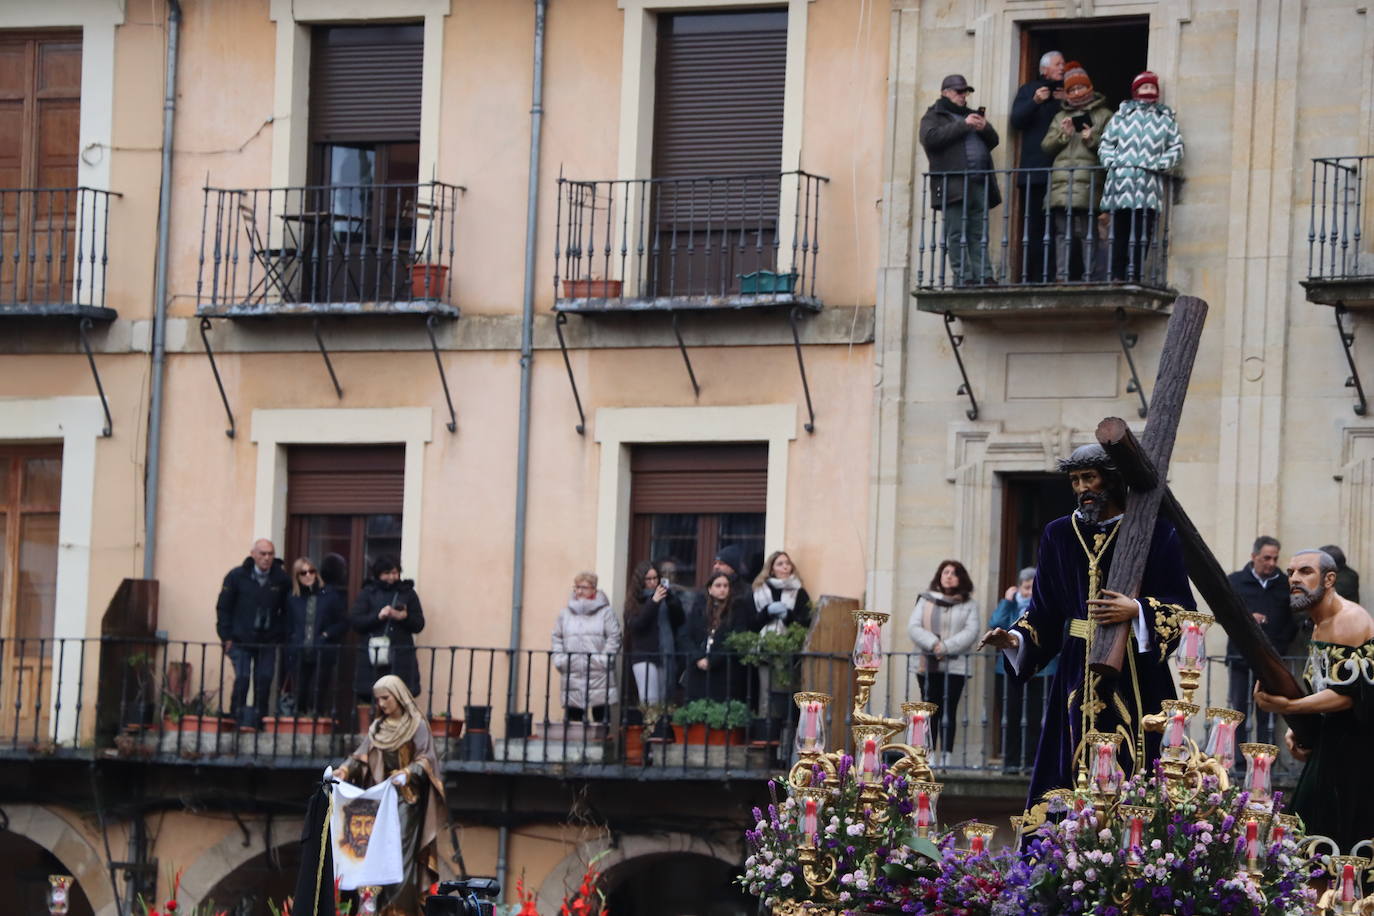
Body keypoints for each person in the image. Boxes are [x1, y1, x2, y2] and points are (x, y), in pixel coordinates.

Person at [980, 444, 1195, 806]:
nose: (1082, 488)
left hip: (1137, 670)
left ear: (1112, 479)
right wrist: (1014, 639)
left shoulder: (1156, 532)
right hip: (1076, 671)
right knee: (1068, 764)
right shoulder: (1058, 534)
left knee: (1143, 767)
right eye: (1075, 480)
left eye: (1089, 478)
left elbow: (1183, 609)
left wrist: (1137, 610)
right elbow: (1044, 610)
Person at [1254, 549, 1374, 852]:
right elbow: (1325, 684)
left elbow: (1349, 695)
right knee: (1310, 834)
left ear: (1329, 579)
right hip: (1332, 742)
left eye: (1305, 571)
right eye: (1291, 573)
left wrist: (1290, 708)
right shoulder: (1317, 623)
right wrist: (1298, 726)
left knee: (1338, 843)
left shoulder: (1348, 619)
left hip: (1358, 750)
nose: (1294, 579)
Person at [333, 675, 446, 916]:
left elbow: (426, 758)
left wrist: (408, 772)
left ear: (399, 696)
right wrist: (344, 769)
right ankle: (373, 905)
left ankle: (397, 909)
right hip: (378, 800)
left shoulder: (416, 725)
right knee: (374, 852)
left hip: (405, 800)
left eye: (386, 698)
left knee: (398, 853)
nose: (382, 704)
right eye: (378, 700)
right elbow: (360, 756)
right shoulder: (378, 728)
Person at [1099, 71, 1184, 283]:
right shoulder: (1122, 116)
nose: (1149, 91)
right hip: (1121, 184)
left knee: (1141, 233)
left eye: (1152, 87)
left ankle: (1135, 274)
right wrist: (1113, 162)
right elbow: (1106, 143)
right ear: (1136, 91)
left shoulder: (1165, 120)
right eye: (1145, 87)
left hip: (1148, 186)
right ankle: (1118, 274)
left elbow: (1177, 148)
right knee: (1120, 231)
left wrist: (1159, 165)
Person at [920, 74, 1001, 286]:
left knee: (978, 232)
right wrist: (964, 125)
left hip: (978, 182)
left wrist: (985, 128)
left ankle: (983, 275)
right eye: (959, 92)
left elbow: (994, 141)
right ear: (945, 92)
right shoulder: (934, 115)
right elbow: (930, 139)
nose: (963, 96)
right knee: (956, 233)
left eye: (965, 92)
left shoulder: (971, 115)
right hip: (953, 184)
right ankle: (963, 277)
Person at [1040, 61, 1110, 282]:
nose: (1077, 92)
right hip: (1062, 183)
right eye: (1072, 89)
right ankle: (1061, 276)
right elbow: (1046, 147)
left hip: (1089, 183)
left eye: (1080, 87)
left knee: (1089, 233)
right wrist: (1064, 134)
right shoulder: (1060, 117)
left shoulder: (1104, 114)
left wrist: (1092, 139)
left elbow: (1113, 148)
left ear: (1088, 87)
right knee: (1062, 232)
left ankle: (1089, 275)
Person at [907, 559, 982, 766]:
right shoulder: (926, 599)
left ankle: (946, 757)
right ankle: (928, 755)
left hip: (955, 666)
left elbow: (972, 632)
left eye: (954, 573)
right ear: (939, 576)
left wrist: (946, 647)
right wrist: (934, 644)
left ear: (961, 578)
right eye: (945, 572)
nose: (949, 576)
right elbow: (913, 627)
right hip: (926, 664)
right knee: (929, 707)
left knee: (950, 709)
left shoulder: (969, 604)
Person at [1225, 536, 1292, 745]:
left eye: (1275, 558)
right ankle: (1237, 765)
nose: (1272, 563)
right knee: (1238, 712)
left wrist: (1279, 647)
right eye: (1266, 558)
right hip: (1240, 657)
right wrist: (1247, 618)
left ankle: (1265, 765)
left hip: (1272, 660)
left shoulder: (1285, 584)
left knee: (1269, 713)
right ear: (1254, 557)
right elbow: (1222, 613)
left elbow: (1293, 621)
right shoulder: (1234, 581)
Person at [216, 538, 290, 726]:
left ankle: (259, 720)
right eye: (263, 554)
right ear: (253, 554)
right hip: (240, 639)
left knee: (264, 679)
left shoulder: (281, 579)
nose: (266, 558)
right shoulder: (236, 576)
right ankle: (236, 717)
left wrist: (279, 634)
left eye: (270, 554)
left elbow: (287, 610)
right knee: (242, 678)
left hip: (268, 640)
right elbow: (224, 607)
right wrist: (226, 636)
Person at [990, 567, 1055, 774]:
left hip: (1042, 671)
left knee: (1035, 718)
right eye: (1026, 587)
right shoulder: (1012, 605)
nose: (1029, 592)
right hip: (1009, 669)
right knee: (1011, 716)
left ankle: (1029, 763)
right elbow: (996, 625)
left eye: (1034, 587)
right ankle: (1010, 762)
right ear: (1019, 587)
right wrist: (1007, 602)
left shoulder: (1046, 606)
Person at [1009, 50, 1065, 282]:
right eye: (1058, 64)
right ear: (1044, 69)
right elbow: (1016, 120)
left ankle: (1056, 275)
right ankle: (1032, 277)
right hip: (1034, 172)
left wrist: (1066, 101)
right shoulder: (1030, 90)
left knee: (1059, 228)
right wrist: (1035, 102)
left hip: (1062, 173)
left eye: (1063, 64)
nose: (1062, 68)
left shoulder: (1067, 93)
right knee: (1034, 227)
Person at [351, 556, 426, 703]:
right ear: (379, 574)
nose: (392, 577)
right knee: (373, 698)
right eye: (387, 573)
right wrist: (378, 616)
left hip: (401, 655)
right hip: (373, 657)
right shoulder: (368, 593)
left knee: (400, 697)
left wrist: (403, 617)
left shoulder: (407, 593)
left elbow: (419, 624)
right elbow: (356, 621)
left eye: (395, 573)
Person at [552, 571, 622, 723]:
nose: (579, 591)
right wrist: (560, 659)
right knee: (573, 721)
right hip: (573, 672)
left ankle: (602, 747)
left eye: (583, 587)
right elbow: (557, 637)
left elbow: (615, 637)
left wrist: (604, 659)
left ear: (593, 589)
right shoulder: (565, 614)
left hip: (599, 673)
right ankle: (575, 748)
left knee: (601, 719)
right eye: (576, 587)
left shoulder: (606, 613)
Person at [285, 557, 348, 716]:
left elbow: (343, 622)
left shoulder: (330, 595)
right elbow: (286, 621)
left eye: (312, 571)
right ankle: (299, 724)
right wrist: (292, 638)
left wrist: (327, 634)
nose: (308, 575)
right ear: (297, 576)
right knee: (300, 691)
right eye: (303, 573)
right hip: (299, 650)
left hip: (322, 649)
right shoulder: (293, 598)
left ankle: (315, 723)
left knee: (317, 690)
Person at [623, 561, 685, 708]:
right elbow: (637, 625)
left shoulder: (665, 599)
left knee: (664, 702)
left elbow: (680, 620)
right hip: (644, 656)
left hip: (664, 655)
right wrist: (653, 602)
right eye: (648, 579)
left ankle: (660, 731)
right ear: (640, 581)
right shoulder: (634, 601)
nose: (653, 582)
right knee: (650, 702)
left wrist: (671, 600)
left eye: (655, 578)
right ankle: (650, 730)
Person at [682, 572, 748, 702]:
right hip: (698, 670)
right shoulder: (699, 609)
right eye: (718, 585)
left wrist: (712, 660)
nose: (722, 589)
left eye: (726, 586)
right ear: (710, 589)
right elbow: (685, 636)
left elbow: (735, 639)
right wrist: (698, 657)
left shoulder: (737, 610)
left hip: (724, 670)